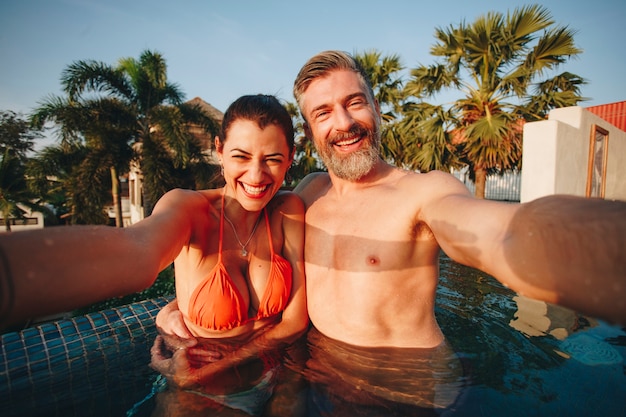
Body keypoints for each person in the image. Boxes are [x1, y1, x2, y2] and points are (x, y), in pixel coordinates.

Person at [154, 50, 626, 413]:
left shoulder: (425, 193)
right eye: (323, 112)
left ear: (376, 108)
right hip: (322, 385)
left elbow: (499, 233)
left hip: (410, 396)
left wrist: (601, 249)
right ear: (310, 132)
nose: (343, 123)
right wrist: (181, 305)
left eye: (354, 102)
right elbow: (237, 248)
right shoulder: (304, 195)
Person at [0, 94, 308, 415]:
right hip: (201, 392)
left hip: (278, 376)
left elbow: (296, 321)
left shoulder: (289, 211)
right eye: (241, 157)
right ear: (219, 151)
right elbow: (137, 250)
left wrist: (215, 365)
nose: (256, 175)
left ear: (291, 157)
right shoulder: (188, 209)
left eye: (272, 158)